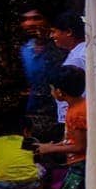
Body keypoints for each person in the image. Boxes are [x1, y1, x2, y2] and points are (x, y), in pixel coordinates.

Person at [35, 66, 88, 189]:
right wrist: (54, 145)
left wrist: (50, 149)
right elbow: (73, 141)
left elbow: (80, 147)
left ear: (59, 92)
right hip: (80, 163)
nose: (51, 92)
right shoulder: (79, 107)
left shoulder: (77, 113)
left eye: (52, 88)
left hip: (81, 164)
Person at [19, 8, 64, 140]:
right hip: (33, 114)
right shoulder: (25, 50)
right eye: (25, 19)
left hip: (60, 114)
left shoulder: (62, 48)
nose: (30, 23)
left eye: (36, 18)